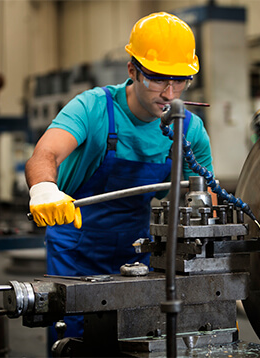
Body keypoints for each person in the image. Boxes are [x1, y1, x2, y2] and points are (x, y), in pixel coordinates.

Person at [25, 12, 214, 342]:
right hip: (76, 249)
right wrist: (43, 188)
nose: (169, 93)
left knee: (135, 339)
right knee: (75, 341)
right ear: (132, 70)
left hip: (136, 251)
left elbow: (204, 196)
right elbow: (45, 154)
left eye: (180, 80)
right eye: (157, 78)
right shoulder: (94, 108)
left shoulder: (190, 129)